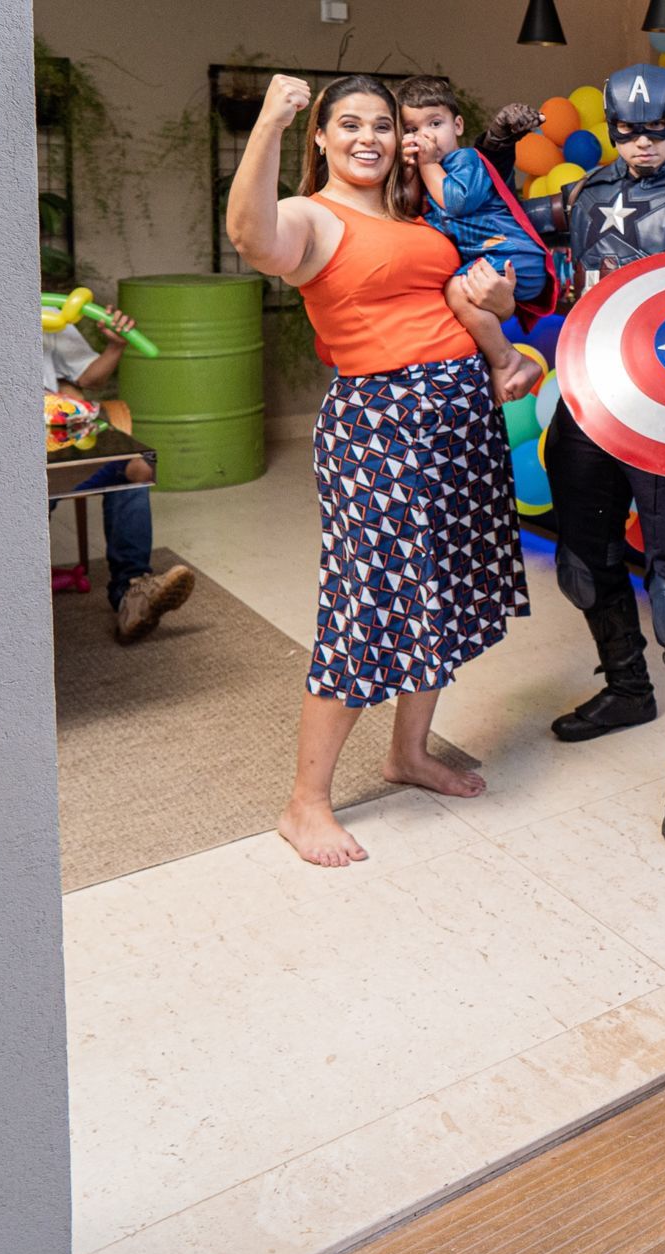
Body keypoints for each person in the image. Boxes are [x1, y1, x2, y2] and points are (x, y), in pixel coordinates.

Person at [226, 73, 529, 868]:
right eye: (351, 124)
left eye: (384, 125)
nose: (370, 138)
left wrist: (498, 306)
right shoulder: (310, 218)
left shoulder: (414, 214)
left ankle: (410, 754)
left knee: (438, 596)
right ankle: (305, 803)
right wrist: (268, 123)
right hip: (381, 429)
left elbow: (460, 298)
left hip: (460, 420)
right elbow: (251, 237)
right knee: (368, 609)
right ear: (322, 137)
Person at [518, 64, 665, 843]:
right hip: (590, 401)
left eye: (656, 131)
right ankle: (627, 688)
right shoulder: (588, 193)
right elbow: (503, 221)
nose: (643, 145)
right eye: (628, 132)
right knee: (583, 561)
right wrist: (483, 154)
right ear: (613, 129)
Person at [394, 75, 553, 403]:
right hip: (491, 261)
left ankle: (509, 360)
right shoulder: (426, 174)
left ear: (458, 126)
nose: (425, 135)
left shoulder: (465, 160)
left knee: (456, 291)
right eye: (411, 129)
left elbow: (456, 201)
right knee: (454, 296)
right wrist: (410, 170)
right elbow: (407, 210)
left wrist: (427, 163)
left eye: (435, 123)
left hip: (513, 256)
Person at [44, 304, 196, 642]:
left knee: (137, 467)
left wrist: (116, 345)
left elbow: (88, 379)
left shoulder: (45, 310)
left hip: (55, 434)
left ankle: (131, 592)